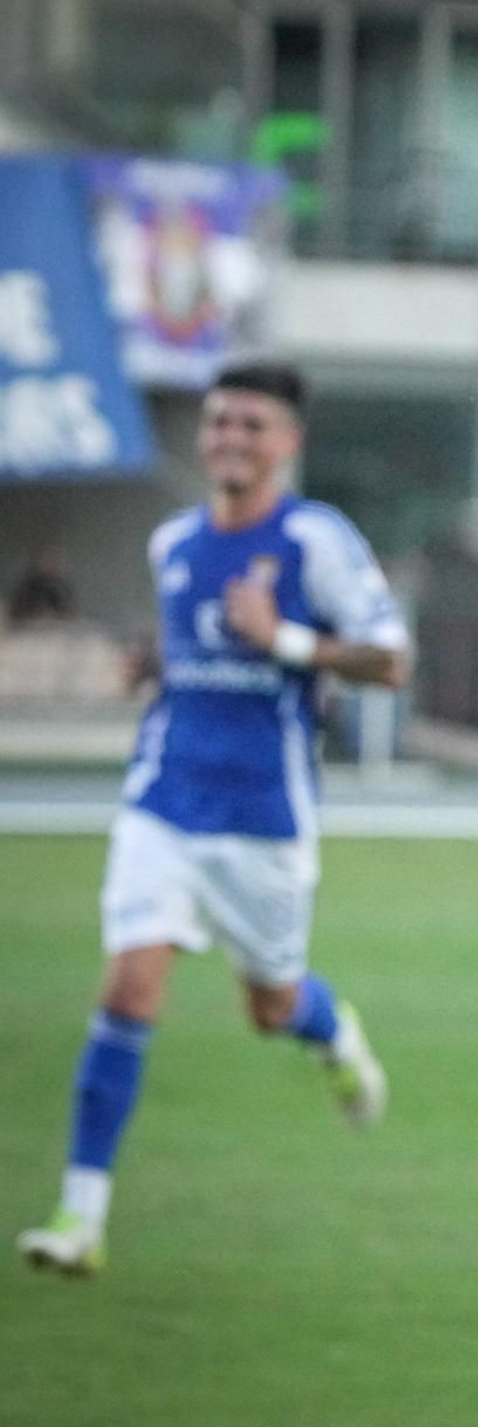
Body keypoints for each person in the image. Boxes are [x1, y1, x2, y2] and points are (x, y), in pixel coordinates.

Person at [18, 361, 409, 1280]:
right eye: (220, 420)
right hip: (164, 800)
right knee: (127, 990)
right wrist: (154, 667)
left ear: (288, 443)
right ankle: (80, 1217)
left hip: (264, 820)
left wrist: (287, 639)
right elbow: (197, 654)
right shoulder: (173, 544)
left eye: (252, 424)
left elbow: (390, 662)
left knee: (271, 1007)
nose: (231, 436)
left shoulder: (315, 539)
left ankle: (332, 1030)